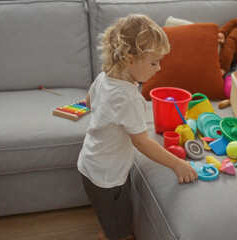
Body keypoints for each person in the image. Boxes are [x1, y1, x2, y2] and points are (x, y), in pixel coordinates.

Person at [77, 14, 198, 240]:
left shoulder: (104, 78)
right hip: (106, 179)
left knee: (109, 220)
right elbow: (141, 142)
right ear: (131, 59)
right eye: (154, 62)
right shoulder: (129, 98)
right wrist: (178, 165)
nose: (159, 68)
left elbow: (88, 102)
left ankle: (107, 229)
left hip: (90, 165)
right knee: (121, 233)